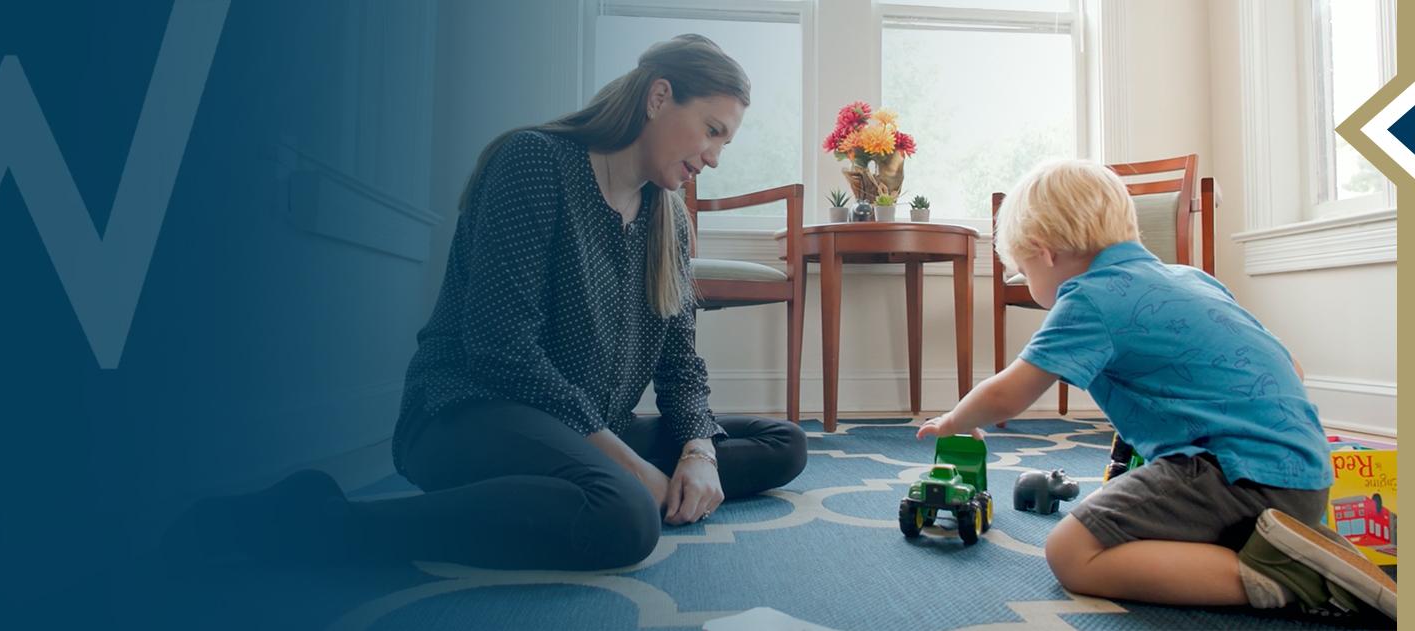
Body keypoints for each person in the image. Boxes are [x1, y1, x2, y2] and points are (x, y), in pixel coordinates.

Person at [173, 34, 807, 571]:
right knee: (625, 516)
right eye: (712, 131)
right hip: (467, 414)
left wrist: (697, 450)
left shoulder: (668, 218)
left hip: (590, 428)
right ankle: (326, 523)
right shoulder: (534, 163)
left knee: (783, 443)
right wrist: (630, 469)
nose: (716, 157)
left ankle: (584, 484)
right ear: (659, 97)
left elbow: (680, 364)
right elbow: (501, 352)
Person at [915, 159, 1396, 620]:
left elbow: (1009, 393)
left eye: (1023, 271)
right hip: (1305, 477)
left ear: (1045, 253)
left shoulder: (1087, 298)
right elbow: (1292, 367)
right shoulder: (1193, 279)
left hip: (1235, 478)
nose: (1029, 283)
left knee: (1071, 552)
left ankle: (1283, 574)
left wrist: (956, 420)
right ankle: (1286, 542)